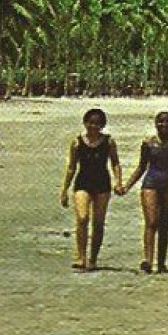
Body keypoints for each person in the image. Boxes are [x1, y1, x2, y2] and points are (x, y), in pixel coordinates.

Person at [60, 108, 125, 271]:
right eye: (91, 123)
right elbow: (71, 167)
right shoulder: (77, 143)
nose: (93, 126)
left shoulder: (108, 142)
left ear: (102, 125)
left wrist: (118, 181)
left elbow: (115, 162)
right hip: (83, 182)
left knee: (98, 223)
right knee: (82, 218)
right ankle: (81, 256)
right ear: (85, 123)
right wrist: (64, 189)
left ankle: (93, 258)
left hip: (102, 183)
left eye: (97, 123)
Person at [122, 110, 168, 274]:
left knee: (164, 223)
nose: (163, 125)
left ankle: (162, 263)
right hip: (151, 182)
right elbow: (141, 167)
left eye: (166, 122)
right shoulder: (148, 143)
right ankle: (148, 260)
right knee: (151, 222)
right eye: (160, 122)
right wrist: (127, 185)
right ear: (155, 123)